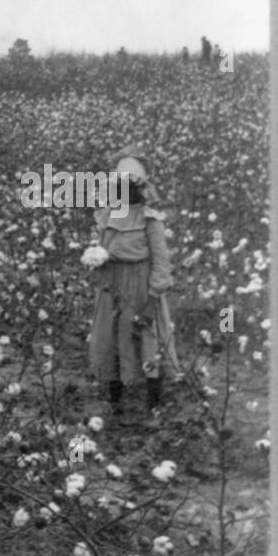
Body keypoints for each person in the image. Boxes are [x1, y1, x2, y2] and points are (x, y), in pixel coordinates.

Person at [87, 147, 181, 421]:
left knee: (147, 343)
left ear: (139, 188)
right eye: (118, 185)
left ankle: (153, 404)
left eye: (129, 185)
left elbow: (162, 264)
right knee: (111, 341)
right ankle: (115, 401)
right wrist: (95, 258)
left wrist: (152, 299)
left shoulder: (150, 220)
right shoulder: (108, 215)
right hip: (112, 287)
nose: (123, 191)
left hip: (141, 290)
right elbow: (101, 248)